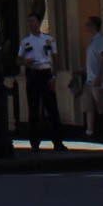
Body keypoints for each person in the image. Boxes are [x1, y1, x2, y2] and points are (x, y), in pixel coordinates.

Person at [17, 15, 66, 152]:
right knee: (33, 109)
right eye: (29, 21)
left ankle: (57, 142)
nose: (30, 24)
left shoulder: (48, 39)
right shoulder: (25, 41)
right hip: (33, 74)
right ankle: (34, 142)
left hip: (46, 74)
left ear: (38, 23)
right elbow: (18, 59)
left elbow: (55, 59)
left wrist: (54, 77)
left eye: (33, 21)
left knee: (52, 108)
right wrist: (24, 62)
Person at [78, 16, 103, 141]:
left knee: (102, 105)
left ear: (94, 26)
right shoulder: (90, 41)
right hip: (89, 79)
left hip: (98, 79)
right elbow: (91, 61)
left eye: (88, 24)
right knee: (89, 106)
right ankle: (89, 131)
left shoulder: (100, 40)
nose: (86, 26)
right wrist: (82, 71)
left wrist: (100, 76)